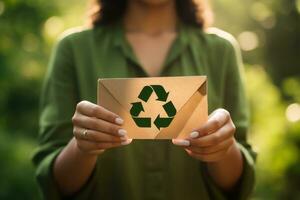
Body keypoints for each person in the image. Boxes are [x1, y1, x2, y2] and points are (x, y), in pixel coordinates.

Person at [32, 0, 256, 199]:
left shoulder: (221, 50)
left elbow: (238, 185)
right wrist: (82, 148)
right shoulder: (74, 49)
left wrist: (224, 149)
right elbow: (55, 184)